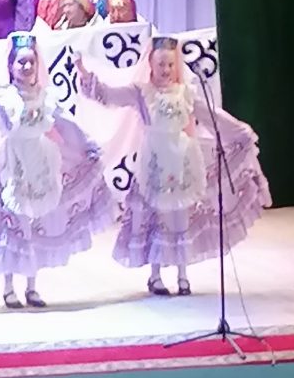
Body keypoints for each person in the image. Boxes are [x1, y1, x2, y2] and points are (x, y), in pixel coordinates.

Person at [81, 31, 270, 297]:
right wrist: (85, 74)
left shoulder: (186, 93)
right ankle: (155, 274)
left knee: (181, 217)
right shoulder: (141, 92)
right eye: (161, 64)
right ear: (151, 64)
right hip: (155, 161)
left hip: (182, 161)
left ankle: (183, 274)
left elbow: (212, 116)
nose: (166, 70)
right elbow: (109, 95)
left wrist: (239, 131)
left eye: (170, 64)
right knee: (156, 216)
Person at [0, 32, 114, 308]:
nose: (26, 67)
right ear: (10, 65)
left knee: (38, 224)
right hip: (14, 164)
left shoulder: (46, 97)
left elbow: (66, 125)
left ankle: (32, 287)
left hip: (41, 162)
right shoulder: (2, 95)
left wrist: (87, 145)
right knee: (14, 223)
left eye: (31, 62)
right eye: (20, 62)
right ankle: (9, 287)